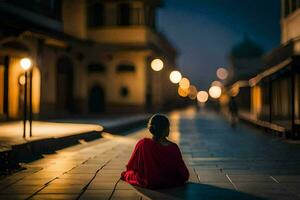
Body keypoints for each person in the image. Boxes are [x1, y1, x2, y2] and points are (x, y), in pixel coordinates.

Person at [121, 114, 189, 189]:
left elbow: (131, 165)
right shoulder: (173, 147)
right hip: (170, 181)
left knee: (128, 174)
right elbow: (184, 174)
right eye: (168, 127)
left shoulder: (144, 143)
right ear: (166, 129)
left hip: (150, 180)